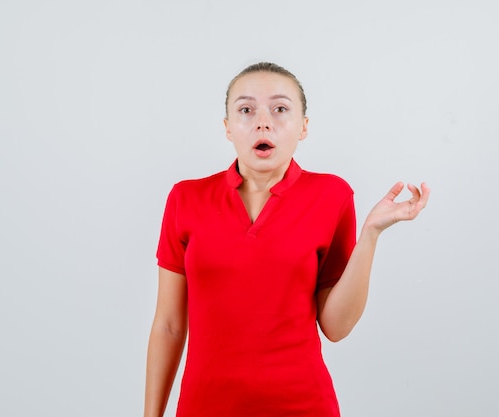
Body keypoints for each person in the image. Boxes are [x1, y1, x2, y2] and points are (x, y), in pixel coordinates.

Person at [144, 62, 430, 417]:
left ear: (303, 127)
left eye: (280, 109)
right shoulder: (186, 199)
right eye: (246, 110)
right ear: (228, 128)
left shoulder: (332, 195)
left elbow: (336, 326)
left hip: (304, 406)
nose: (263, 122)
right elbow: (169, 325)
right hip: (205, 407)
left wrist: (370, 235)